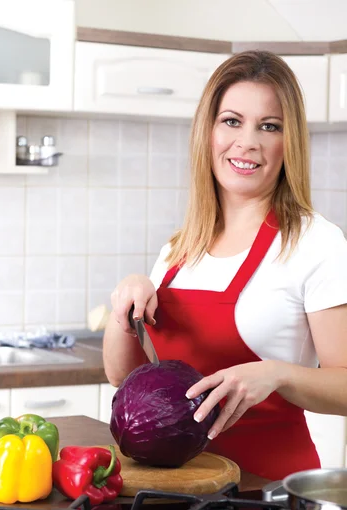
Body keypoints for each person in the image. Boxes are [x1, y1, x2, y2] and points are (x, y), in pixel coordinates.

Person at [103, 50, 347, 480]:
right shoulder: (180, 248)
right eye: (231, 120)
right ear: (208, 131)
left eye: (269, 126)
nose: (247, 142)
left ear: (288, 142)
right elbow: (126, 379)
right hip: (176, 486)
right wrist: (123, 307)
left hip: (265, 490)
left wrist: (277, 375)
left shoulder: (314, 242)